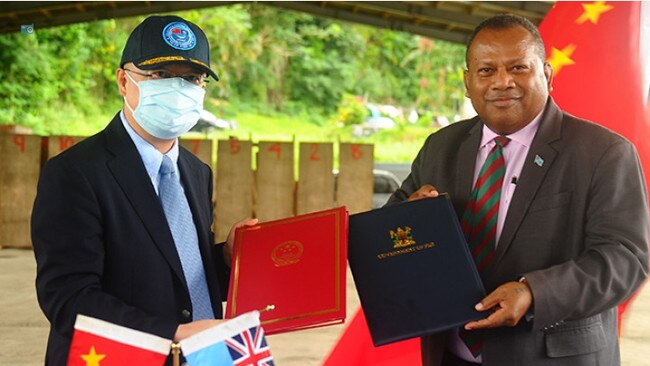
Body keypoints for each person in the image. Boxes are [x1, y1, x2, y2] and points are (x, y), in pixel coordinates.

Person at [388, 14, 649, 366]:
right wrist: (409, 218)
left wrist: (534, 293)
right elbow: (388, 229)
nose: (502, 82)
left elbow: (626, 259)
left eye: (518, 68)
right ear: (468, 82)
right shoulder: (441, 146)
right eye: (486, 71)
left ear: (547, 74)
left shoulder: (604, 152)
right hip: (450, 355)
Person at [31, 15, 256, 365]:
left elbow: (173, 267)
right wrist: (172, 335)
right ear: (124, 80)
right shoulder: (75, 173)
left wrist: (225, 261)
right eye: (161, 75)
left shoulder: (197, 172)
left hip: (206, 355)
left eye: (191, 78)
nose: (178, 88)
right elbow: (67, 298)